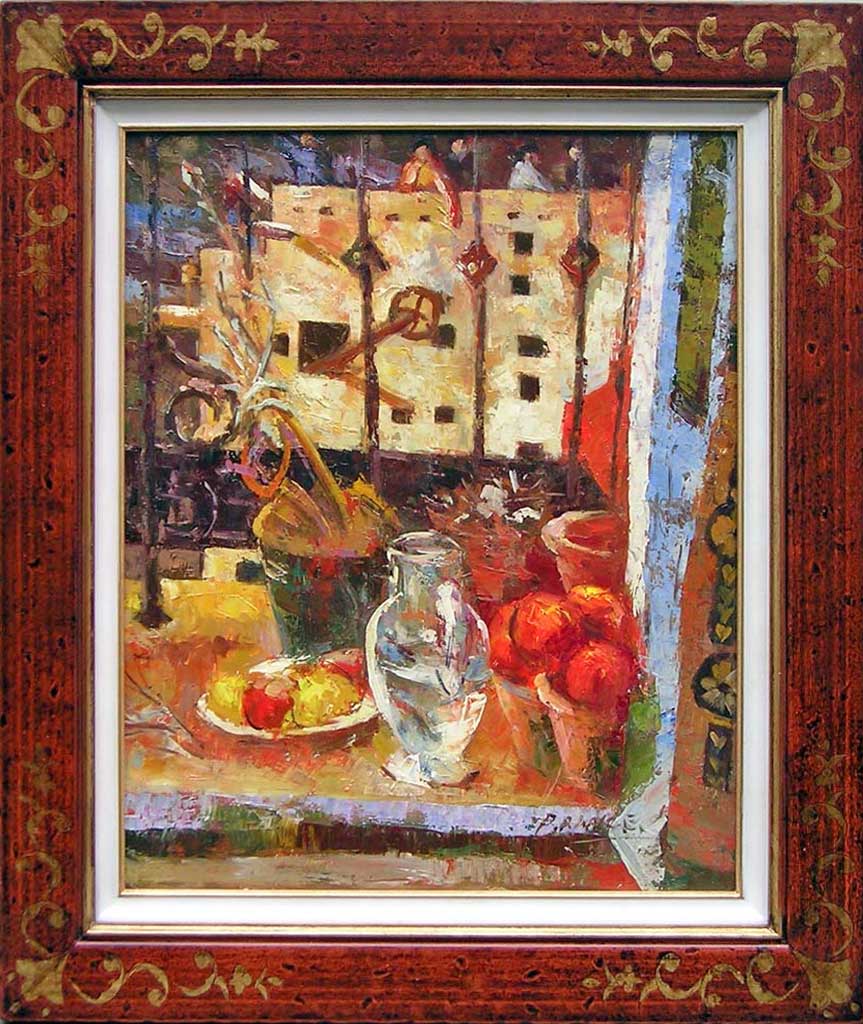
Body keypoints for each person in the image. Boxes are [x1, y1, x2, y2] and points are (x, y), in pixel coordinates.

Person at [396, 138, 462, 227]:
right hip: (415, 208)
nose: (424, 155)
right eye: (421, 152)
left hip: (435, 205)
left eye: (426, 151)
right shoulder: (411, 166)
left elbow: (445, 186)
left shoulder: (436, 166)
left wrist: (452, 209)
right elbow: (404, 186)